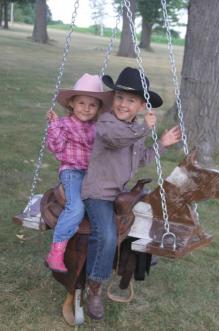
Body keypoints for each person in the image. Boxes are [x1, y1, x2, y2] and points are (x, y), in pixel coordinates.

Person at [81, 67, 182, 320]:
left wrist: (161, 144)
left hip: (121, 192)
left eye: (131, 100)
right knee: (105, 234)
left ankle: (141, 256)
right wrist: (145, 130)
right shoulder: (106, 121)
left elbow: (140, 159)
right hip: (99, 193)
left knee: (151, 209)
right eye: (120, 97)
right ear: (113, 98)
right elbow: (116, 140)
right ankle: (94, 287)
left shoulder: (135, 127)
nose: (123, 104)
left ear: (140, 106)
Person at [45, 73, 113, 273]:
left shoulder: (98, 127)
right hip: (72, 172)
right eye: (81, 103)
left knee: (113, 202)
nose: (86, 108)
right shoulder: (64, 124)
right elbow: (55, 148)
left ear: (99, 108)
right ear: (71, 104)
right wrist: (54, 126)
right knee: (75, 207)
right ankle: (56, 252)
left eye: (92, 105)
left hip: (93, 174)